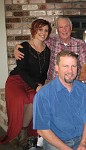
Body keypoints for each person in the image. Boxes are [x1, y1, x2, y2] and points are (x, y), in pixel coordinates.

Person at [0, 19, 52, 148]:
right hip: (17, 80)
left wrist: (40, 85)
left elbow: (43, 72)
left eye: (46, 30)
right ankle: (13, 133)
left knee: (35, 98)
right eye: (40, 29)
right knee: (19, 99)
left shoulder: (48, 50)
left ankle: (23, 131)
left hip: (33, 83)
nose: (43, 33)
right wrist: (37, 86)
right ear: (34, 30)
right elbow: (22, 71)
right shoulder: (23, 46)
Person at [33, 50, 86, 150]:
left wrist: (83, 143)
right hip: (55, 142)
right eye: (65, 66)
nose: (70, 71)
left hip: (82, 139)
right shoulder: (43, 94)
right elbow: (42, 130)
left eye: (73, 66)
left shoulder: (84, 89)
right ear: (57, 68)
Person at [14, 15, 86, 82]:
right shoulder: (50, 41)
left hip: (72, 82)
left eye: (66, 26)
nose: (64, 30)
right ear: (57, 30)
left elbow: (84, 65)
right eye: (61, 27)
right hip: (53, 83)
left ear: (71, 28)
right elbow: (35, 42)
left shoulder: (80, 44)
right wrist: (19, 47)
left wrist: (80, 82)